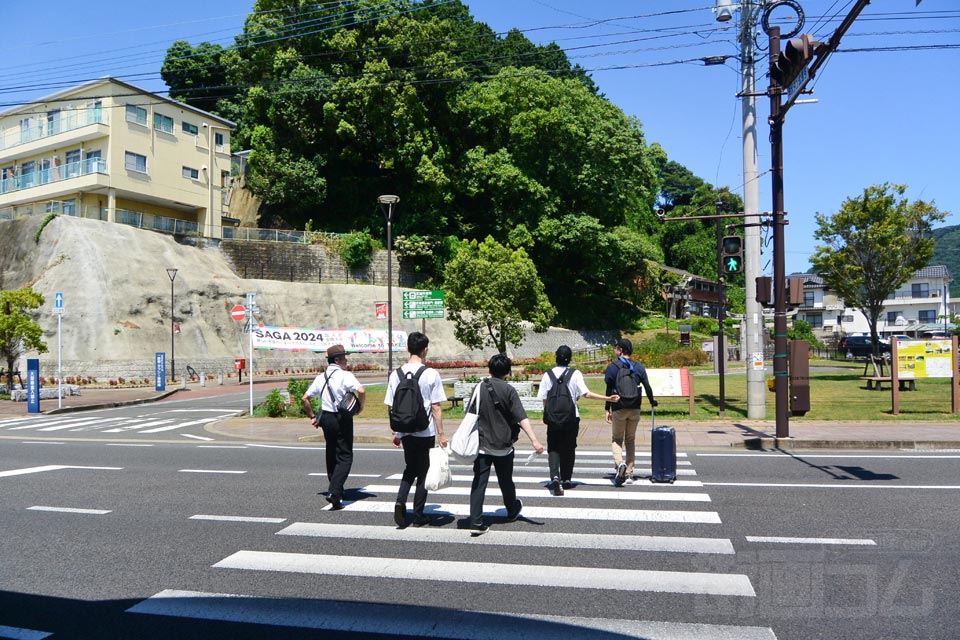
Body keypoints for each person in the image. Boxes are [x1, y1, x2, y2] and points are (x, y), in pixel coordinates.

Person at [468, 353, 544, 534]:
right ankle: (511, 510)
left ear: (490, 369)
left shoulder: (478, 388)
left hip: (482, 444)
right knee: (506, 480)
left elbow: (470, 414)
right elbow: (521, 417)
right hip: (504, 445)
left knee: (479, 482)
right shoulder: (509, 390)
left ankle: (476, 521)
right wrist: (535, 440)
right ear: (508, 371)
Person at [384, 332, 448, 527]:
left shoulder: (396, 374)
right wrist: (441, 434)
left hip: (406, 430)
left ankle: (400, 500)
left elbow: (391, 405)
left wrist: (398, 432)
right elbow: (435, 406)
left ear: (407, 349)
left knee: (409, 468)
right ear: (425, 349)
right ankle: (419, 514)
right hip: (425, 430)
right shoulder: (430, 374)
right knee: (424, 472)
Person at [537, 345, 618, 496]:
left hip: (553, 419)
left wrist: (548, 414)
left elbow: (544, 398)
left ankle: (555, 476)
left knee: (553, 448)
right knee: (569, 447)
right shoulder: (575, 374)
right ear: (570, 358)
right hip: (571, 417)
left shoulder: (547, 375)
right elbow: (586, 394)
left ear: (556, 357)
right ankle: (566, 478)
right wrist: (607, 398)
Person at [301, 344, 366, 510]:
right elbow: (362, 390)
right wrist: (360, 407)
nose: (346, 360)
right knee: (345, 455)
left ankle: (336, 488)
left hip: (326, 419)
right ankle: (335, 492)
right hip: (341, 418)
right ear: (337, 360)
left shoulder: (321, 377)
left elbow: (305, 398)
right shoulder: (345, 375)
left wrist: (312, 417)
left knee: (331, 452)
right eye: (344, 358)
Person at [604, 338, 656, 486]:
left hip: (619, 407)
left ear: (620, 350)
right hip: (635, 408)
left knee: (617, 439)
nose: (615, 351)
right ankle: (629, 474)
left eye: (616, 348)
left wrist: (607, 408)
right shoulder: (638, 367)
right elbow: (647, 386)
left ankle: (620, 463)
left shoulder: (613, 367)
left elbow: (609, 390)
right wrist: (652, 401)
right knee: (630, 439)